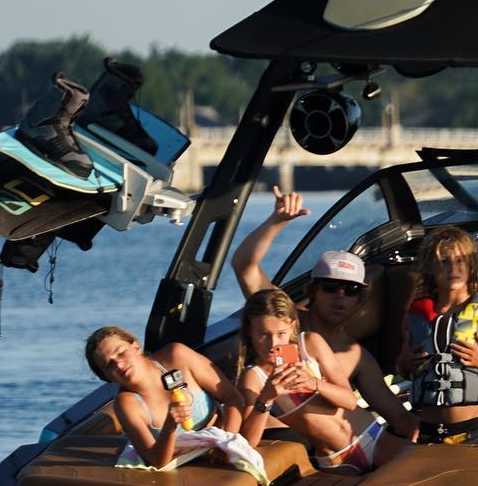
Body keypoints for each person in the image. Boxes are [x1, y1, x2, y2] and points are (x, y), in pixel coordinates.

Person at [230, 186, 416, 440]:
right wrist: (276, 222)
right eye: (330, 287)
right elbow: (244, 265)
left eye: (350, 290)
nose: (340, 296)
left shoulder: (355, 355)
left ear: (360, 299)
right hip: (277, 443)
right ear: (312, 291)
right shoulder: (285, 319)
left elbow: (398, 417)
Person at [235, 288, 394, 471]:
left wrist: (315, 384)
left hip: (371, 436)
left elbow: (349, 401)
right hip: (334, 461)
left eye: (281, 334)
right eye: (263, 334)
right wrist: (267, 398)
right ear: (249, 332)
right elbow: (248, 441)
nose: (274, 344)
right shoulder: (254, 377)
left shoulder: (310, 344)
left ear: (293, 327)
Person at [397, 226, 478, 445]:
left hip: (474, 432)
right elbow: (403, 368)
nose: (453, 269)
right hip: (428, 431)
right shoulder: (414, 317)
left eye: (460, 261)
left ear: (471, 266)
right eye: (444, 262)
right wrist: (405, 363)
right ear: (430, 267)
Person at [85, 325, 245, 470]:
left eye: (121, 353)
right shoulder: (127, 404)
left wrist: (226, 443)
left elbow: (233, 398)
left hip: (224, 444)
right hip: (184, 466)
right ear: (106, 377)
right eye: (108, 365)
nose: (118, 365)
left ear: (136, 347)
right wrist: (170, 425)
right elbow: (156, 460)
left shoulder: (177, 356)